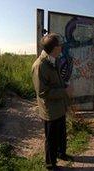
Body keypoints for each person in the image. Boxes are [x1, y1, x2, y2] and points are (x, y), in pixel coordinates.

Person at [32, 33, 72, 170]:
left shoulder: (54, 59)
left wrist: (64, 91)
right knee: (51, 138)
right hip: (50, 110)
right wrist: (64, 92)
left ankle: (62, 154)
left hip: (59, 106)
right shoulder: (40, 66)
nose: (61, 47)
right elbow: (42, 92)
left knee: (61, 134)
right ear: (54, 48)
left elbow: (56, 82)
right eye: (59, 45)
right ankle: (50, 164)